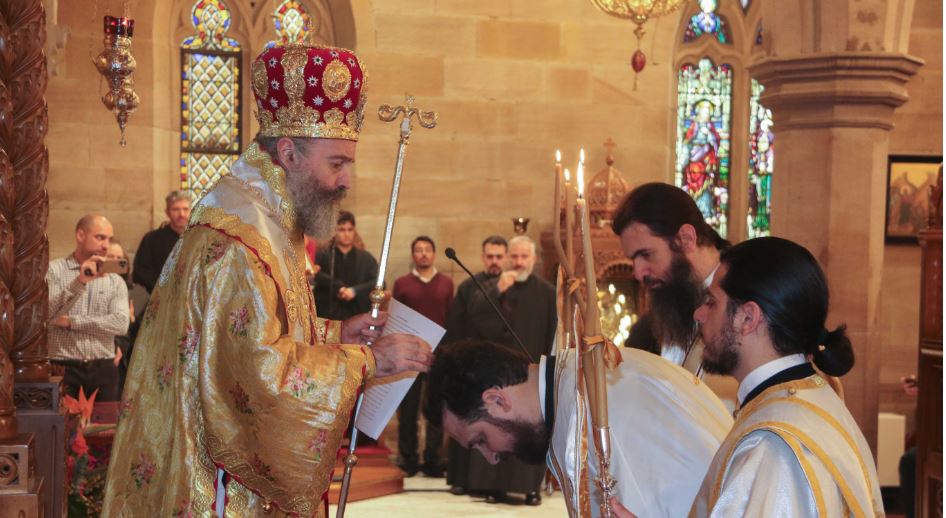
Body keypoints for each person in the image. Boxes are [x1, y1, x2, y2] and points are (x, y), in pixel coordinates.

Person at [102, 45, 433, 517]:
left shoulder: (264, 218)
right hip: (217, 484)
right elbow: (256, 378)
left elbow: (253, 335)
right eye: (336, 163)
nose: (346, 182)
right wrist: (366, 363)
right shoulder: (242, 240)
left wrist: (337, 333)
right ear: (287, 152)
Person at [423, 340, 733, 517]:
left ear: (496, 399)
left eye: (481, 440)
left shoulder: (589, 412)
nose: (491, 457)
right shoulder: (575, 384)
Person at [689, 236, 883, 516]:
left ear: (748, 318)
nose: (699, 314)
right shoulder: (810, 396)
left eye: (711, 302)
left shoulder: (773, 444)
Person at [444, 234, 557, 505]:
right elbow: (475, 318)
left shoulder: (548, 293)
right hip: (497, 375)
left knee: (530, 429)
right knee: (496, 428)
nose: (518, 262)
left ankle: (530, 488)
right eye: (514, 257)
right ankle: (492, 486)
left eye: (523, 257)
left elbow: (553, 332)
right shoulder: (494, 287)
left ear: (534, 259)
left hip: (531, 374)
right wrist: (497, 291)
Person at [611, 182, 730, 374]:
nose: (638, 273)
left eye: (647, 254)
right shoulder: (649, 330)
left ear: (686, 239)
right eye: (633, 259)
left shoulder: (746, 302)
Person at [47, 214, 129, 402]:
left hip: (103, 368)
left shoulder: (115, 281)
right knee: (63, 429)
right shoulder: (55, 271)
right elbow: (48, 315)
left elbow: (120, 324)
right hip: (62, 366)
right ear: (80, 235)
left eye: (109, 239)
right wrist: (80, 281)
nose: (106, 245)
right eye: (100, 237)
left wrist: (71, 322)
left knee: (105, 430)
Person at [392, 235, 454, 477]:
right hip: (409, 354)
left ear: (434, 254)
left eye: (428, 249)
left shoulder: (446, 283)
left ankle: (432, 458)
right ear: (413, 255)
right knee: (408, 410)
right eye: (418, 250)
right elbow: (397, 317)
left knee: (436, 408)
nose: (423, 254)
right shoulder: (402, 283)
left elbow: (451, 317)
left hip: (438, 355)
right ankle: (408, 458)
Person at [313, 210, 378, 320]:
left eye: (350, 229)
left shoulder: (366, 257)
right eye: (342, 230)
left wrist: (355, 291)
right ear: (334, 232)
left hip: (357, 313)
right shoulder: (323, 254)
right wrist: (338, 287)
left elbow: (379, 282)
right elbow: (314, 274)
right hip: (327, 313)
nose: (346, 234)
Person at [106, 239, 148, 397]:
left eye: (119, 259)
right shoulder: (91, 288)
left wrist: (131, 320)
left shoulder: (139, 294)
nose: (116, 263)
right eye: (110, 257)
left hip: (128, 362)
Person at [133, 190, 191, 293]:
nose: (181, 214)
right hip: (160, 297)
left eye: (185, 209)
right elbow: (141, 272)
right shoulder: (151, 239)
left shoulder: (200, 238)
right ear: (167, 212)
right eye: (176, 209)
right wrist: (164, 288)